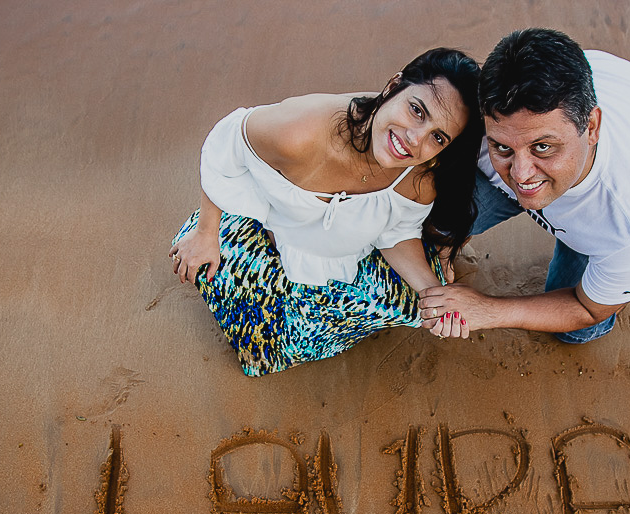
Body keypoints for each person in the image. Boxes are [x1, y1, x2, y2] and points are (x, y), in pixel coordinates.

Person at [170, 48, 482, 376]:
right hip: (266, 231)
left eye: (437, 137)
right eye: (417, 110)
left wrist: (432, 292)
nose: (414, 140)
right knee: (256, 322)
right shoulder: (299, 134)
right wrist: (206, 232)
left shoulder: (419, 175)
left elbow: (396, 232)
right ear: (394, 86)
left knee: (411, 308)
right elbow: (225, 143)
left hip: (339, 252)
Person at [420, 29, 630, 343]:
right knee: (429, 220)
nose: (521, 174)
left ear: (591, 127)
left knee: (576, 330)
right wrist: (446, 239)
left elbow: (588, 309)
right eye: (503, 147)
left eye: (543, 147)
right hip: (594, 92)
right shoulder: (479, 120)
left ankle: (587, 250)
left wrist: (488, 309)